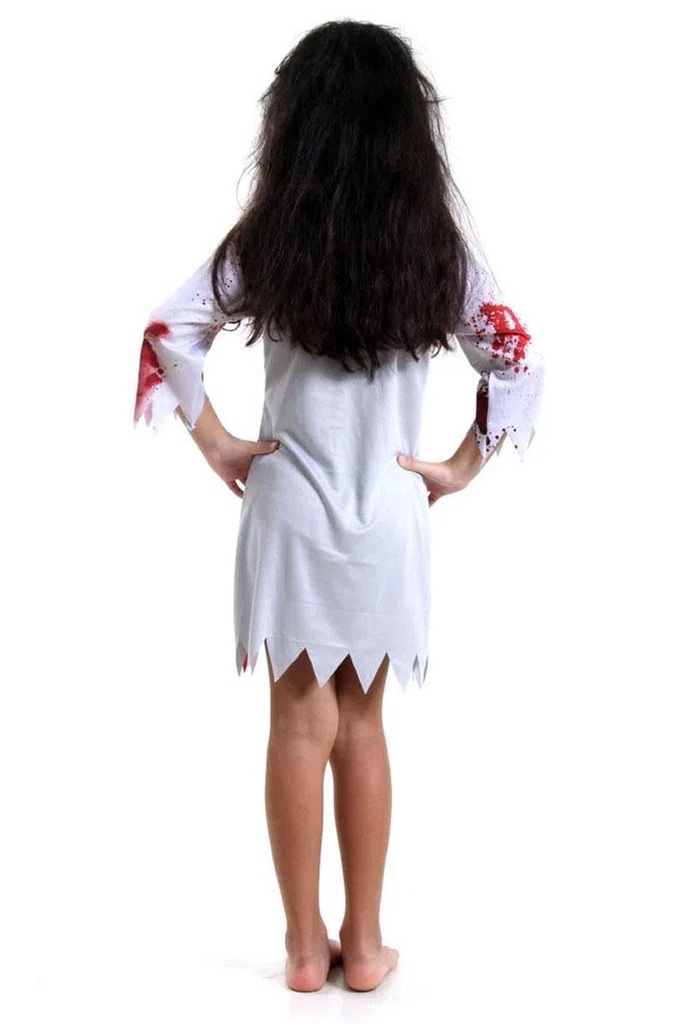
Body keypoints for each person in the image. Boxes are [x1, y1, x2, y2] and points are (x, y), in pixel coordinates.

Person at [133, 19, 546, 994]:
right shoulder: (433, 249)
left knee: (296, 723)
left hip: (290, 506)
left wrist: (218, 442)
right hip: (387, 512)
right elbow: (517, 356)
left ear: (295, 123)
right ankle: (363, 945)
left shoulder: (269, 240)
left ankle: (299, 945)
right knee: (363, 724)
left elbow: (167, 331)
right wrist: (460, 466)